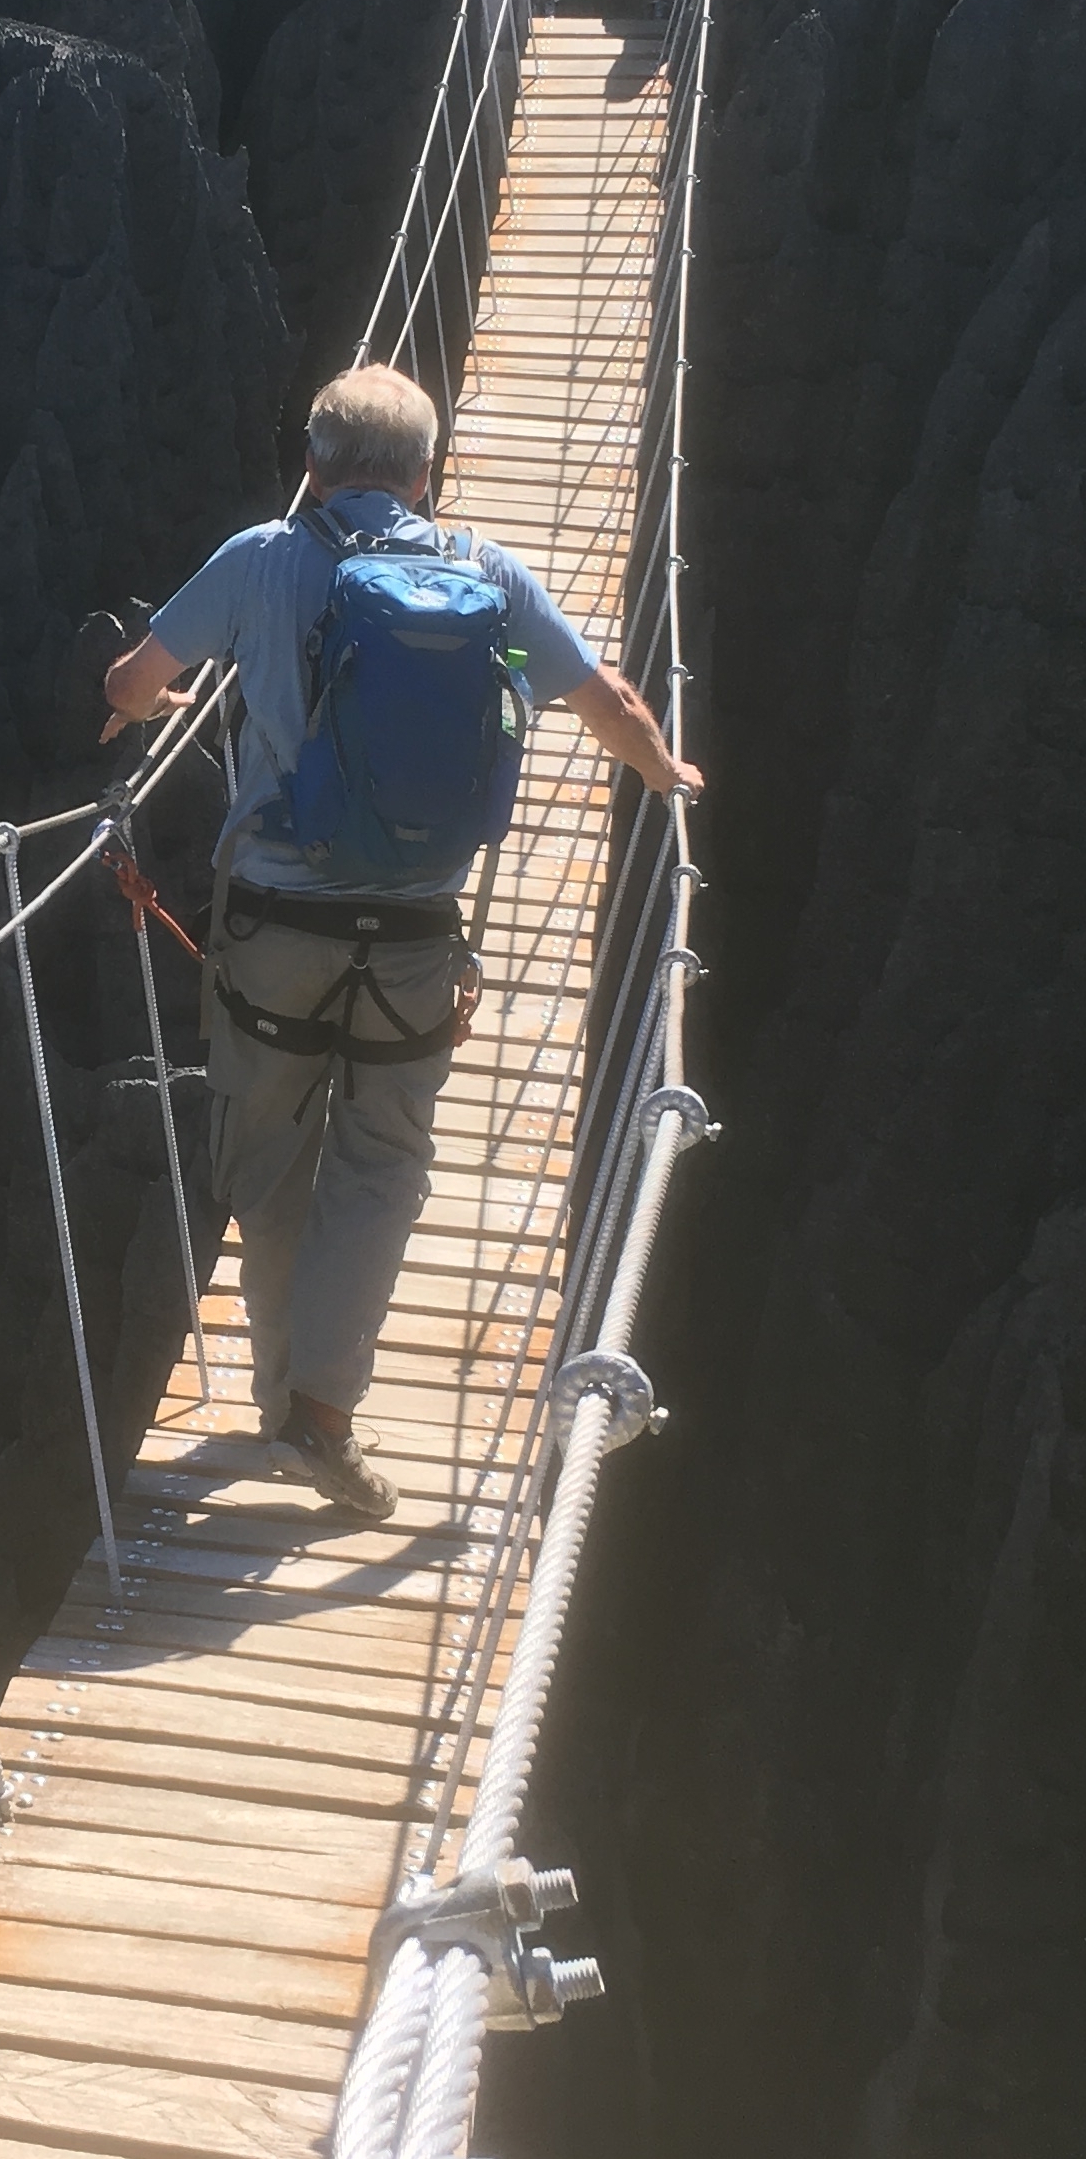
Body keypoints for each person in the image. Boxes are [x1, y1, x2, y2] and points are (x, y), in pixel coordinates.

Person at [101, 360, 702, 1522]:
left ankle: (290, 1398)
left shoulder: (260, 558)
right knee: (381, 1163)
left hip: (273, 928)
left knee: (271, 1162)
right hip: (420, 938)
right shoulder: (488, 569)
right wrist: (666, 776)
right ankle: (321, 1412)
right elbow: (608, 702)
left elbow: (134, 682)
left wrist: (142, 702)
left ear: (311, 467)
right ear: (429, 472)